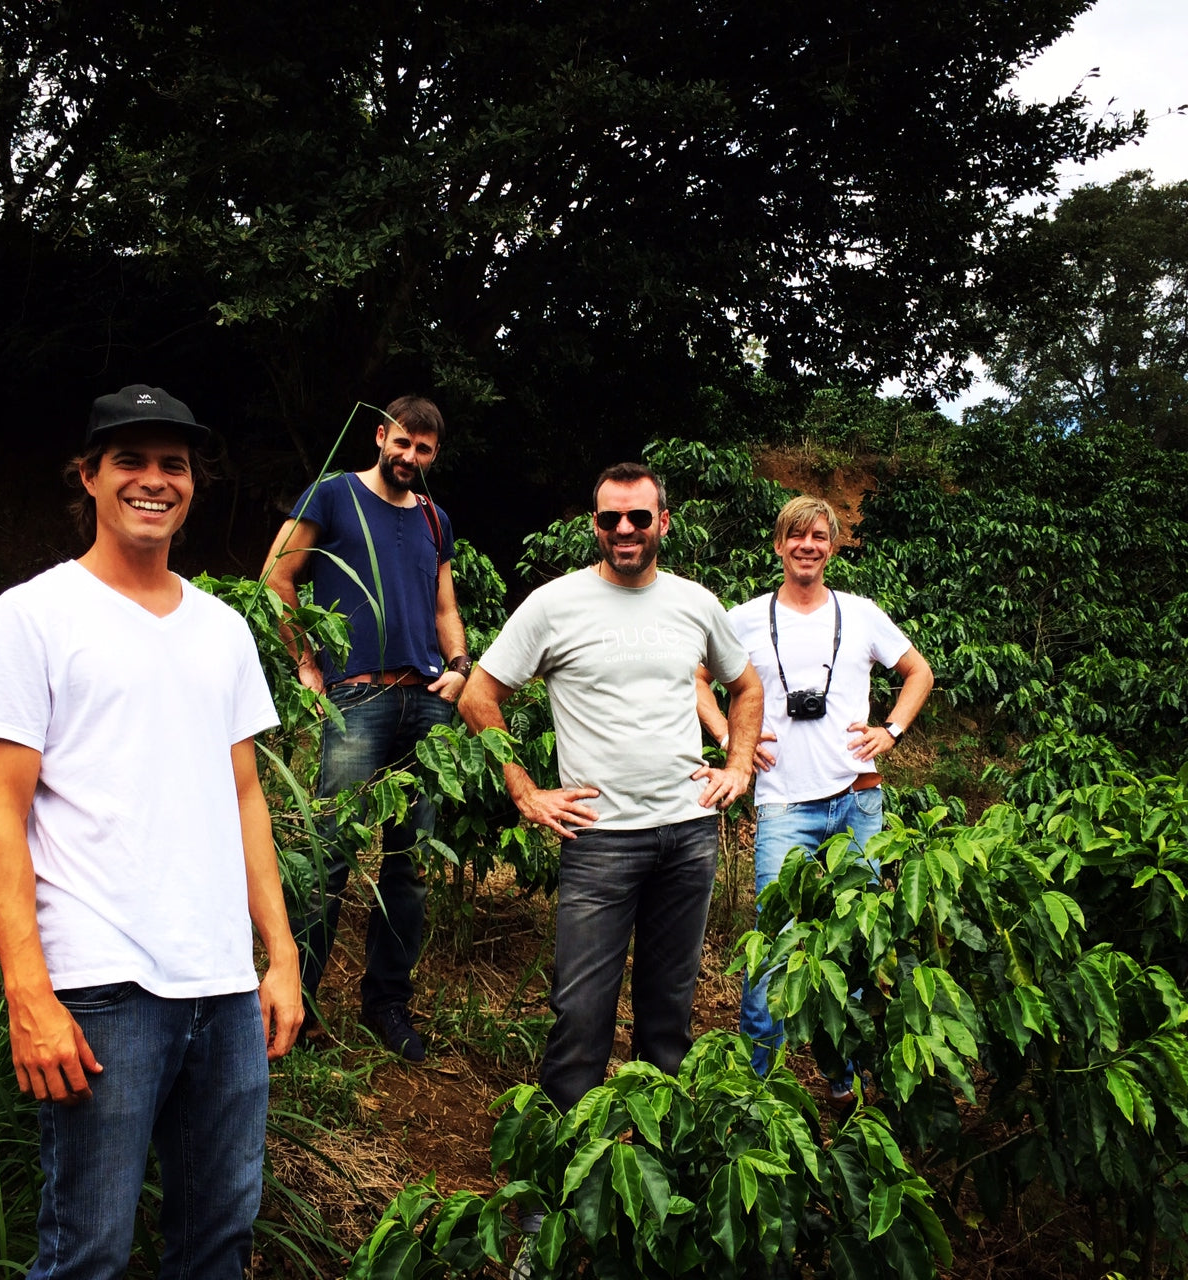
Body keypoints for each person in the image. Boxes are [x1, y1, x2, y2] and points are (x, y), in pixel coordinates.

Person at [0, 384, 303, 1279]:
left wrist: (281, 954)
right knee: (88, 1254)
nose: (155, 480)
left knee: (218, 1242)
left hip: (222, 989)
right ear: (90, 477)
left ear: (195, 484)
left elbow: (245, 795)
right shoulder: (33, 615)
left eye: (173, 465)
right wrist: (29, 995)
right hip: (101, 988)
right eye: (132, 462)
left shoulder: (223, 628)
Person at [458, 461, 762, 1116]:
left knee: (669, 1014)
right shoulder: (554, 604)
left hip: (687, 837)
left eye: (638, 517)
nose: (624, 529)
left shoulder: (694, 602)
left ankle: (657, 1164)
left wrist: (737, 766)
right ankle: (565, 1183)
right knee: (579, 1015)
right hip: (599, 843)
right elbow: (479, 693)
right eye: (609, 518)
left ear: (663, 523)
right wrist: (523, 788)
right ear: (594, 525)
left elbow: (746, 685)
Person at [696, 494, 933, 1094]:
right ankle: (758, 1084)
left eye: (820, 537)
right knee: (772, 941)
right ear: (779, 545)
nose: (808, 546)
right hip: (783, 801)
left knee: (854, 935)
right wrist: (732, 739)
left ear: (833, 547)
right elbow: (694, 679)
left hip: (858, 798)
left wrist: (892, 731)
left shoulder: (862, 613)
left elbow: (918, 672)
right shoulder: (745, 617)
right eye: (796, 536)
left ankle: (844, 1076)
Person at [261, 396, 468, 1062]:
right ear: (380, 436)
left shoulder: (436, 517)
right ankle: (304, 1008)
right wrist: (306, 664)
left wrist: (461, 666)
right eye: (403, 442)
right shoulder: (333, 494)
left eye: (425, 449)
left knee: (408, 869)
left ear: (435, 455)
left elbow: (444, 604)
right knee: (329, 858)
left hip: (428, 703)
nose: (410, 457)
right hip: (357, 698)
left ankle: (387, 1007)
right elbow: (277, 576)